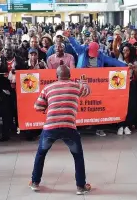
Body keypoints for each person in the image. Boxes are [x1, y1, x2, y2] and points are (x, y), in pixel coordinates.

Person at [29, 63, 91, 195]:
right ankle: (81, 187)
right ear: (70, 76)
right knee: (78, 156)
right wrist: (84, 83)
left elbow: (37, 107)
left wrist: (48, 108)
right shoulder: (76, 86)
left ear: (56, 76)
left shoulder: (48, 88)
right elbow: (87, 91)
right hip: (69, 127)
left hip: (50, 128)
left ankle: (35, 182)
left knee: (41, 154)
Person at [117, 43, 137, 135]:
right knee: (121, 106)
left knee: (131, 106)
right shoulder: (119, 60)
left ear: (130, 51)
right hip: (120, 85)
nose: (125, 52)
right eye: (124, 50)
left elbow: (136, 77)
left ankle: (127, 125)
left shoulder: (134, 62)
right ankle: (120, 125)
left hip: (131, 84)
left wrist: (135, 70)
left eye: (127, 50)